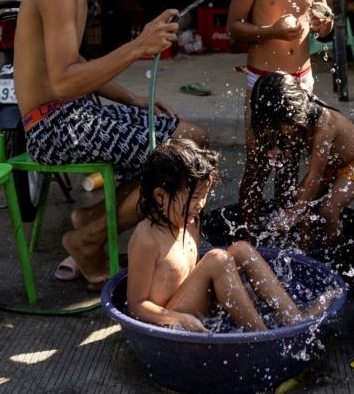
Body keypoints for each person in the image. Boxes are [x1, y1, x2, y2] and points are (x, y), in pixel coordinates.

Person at [13, 0, 209, 290]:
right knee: (179, 162)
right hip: (52, 126)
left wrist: (133, 99)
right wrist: (138, 46)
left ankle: (92, 221)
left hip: (71, 113)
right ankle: (88, 239)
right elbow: (65, 80)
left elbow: (76, 67)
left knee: (192, 137)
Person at [126, 139, 338, 332]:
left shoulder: (190, 222)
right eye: (194, 197)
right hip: (172, 323)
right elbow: (136, 307)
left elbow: (192, 276)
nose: (200, 205)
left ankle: (295, 320)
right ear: (160, 196)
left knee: (241, 249)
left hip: (194, 307)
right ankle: (263, 336)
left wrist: (234, 288)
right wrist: (178, 318)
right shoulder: (147, 238)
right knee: (217, 259)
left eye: (204, 196)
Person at [227, 0, 335, 242]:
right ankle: (245, 240)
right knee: (258, 163)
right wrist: (271, 31)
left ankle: (282, 236)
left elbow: (322, 16)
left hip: (301, 80)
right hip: (264, 82)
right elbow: (233, 28)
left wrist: (325, 25)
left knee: (291, 164)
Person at [248, 71, 354, 249]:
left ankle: (332, 253)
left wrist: (295, 212)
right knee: (300, 201)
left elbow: (315, 174)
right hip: (328, 167)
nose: (277, 131)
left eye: (278, 127)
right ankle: (307, 249)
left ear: (292, 114)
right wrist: (279, 149)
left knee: (327, 211)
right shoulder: (295, 120)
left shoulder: (324, 123)